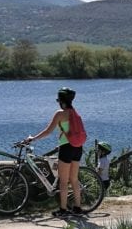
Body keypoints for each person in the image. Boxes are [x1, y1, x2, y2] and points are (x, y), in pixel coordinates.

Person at [26, 87, 87, 217]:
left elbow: (48, 131)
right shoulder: (75, 113)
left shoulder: (60, 114)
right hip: (78, 147)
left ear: (61, 101)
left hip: (66, 147)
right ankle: (78, 208)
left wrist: (33, 138)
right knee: (74, 179)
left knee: (63, 181)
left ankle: (63, 210)